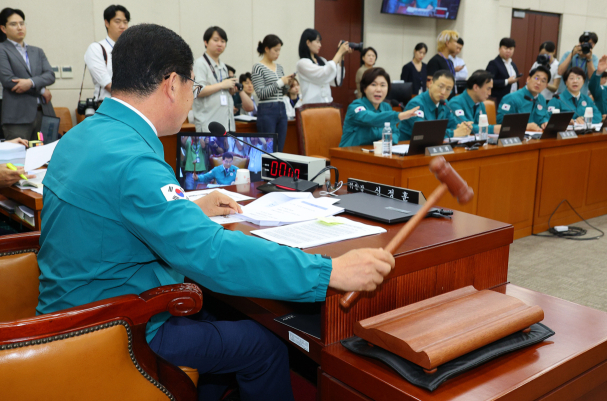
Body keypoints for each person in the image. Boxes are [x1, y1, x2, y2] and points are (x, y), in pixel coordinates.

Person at [37, 23, 394, 401]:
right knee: (265, 346)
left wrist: (188, 206)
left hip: (74, 310)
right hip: (118, 328)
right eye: (192, 85)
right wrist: (330, 271)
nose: (191, 96)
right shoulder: (134, 161)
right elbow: (211, 252)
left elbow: (115, 210)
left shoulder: (83, 133)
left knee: (223, 316)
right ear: (172, 83)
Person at [0, 8, 55, 141]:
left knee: (48, 157)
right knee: (19, 159)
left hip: (44, 112)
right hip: (17, 117)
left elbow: (50, 75)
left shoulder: (37, 51)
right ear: (3, 28)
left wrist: (30, 82)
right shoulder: (2, 49)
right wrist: (41, 89)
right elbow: (9, 81)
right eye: (13, 24)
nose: (19, 27)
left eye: (22, 23)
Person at [340, 67, 419, 147]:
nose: (378, 89)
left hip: (376, 155)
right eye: (373, 85)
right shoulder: (356, 107)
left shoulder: (386, 107)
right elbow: (372, 118)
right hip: (350, 155)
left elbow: (395, 133)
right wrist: (399, 116)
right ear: (364, 88)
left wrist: (387, 140)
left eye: (383, 85)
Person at [193, 26, 245, 133]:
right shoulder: (200, 64)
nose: (220, 44)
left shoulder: (223, 66)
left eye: (223, 41)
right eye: (216, 40)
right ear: (206, 42)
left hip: (226, 124)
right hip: (209, 124)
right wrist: (222, 85)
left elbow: (221, 90)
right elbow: (197, 90)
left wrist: (230, 91)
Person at [398, 70, 472, 141]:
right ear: (430, 84)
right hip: (407, 147)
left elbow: (453, 124)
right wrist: (454, 133)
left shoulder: (444, 103)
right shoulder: (415, 104)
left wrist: (463, 128)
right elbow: (424, 132)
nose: (443, 92)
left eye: (448, 89)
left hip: (432, 147)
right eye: (440, 86)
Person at [252, 34, 292, 153]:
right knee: (269, 149)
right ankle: (267, 172)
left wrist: (288, 84)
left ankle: (277, 172)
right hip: (267, 109)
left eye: (279, 50)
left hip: (281, 107)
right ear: (266, 49)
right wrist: (280, 82)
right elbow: (260, 93)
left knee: (280, 148)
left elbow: (282, 92)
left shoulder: (279, 67)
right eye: (275, 50)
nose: (278, 53)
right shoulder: (258, 67)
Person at [84, 5, 129, 102]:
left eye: (125, 22)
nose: (122, 26)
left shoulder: (131, 50)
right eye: (117, 21)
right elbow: (107, 84)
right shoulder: (96, 48)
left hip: (130, 106)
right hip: (106, 105)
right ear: (107, 23)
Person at [296, 28, 351, 105]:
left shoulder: (322, 61)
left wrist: (341, 56)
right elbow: (323, 74)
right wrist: (338, 53)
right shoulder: (302, 63)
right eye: (317, 42)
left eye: (320, 42)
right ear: (308, 42)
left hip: (327, 104)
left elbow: (336, 81)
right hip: (311, 107)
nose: (320, 45)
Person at [496, 65, 551, 131]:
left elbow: (544, 116)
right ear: (528, 79)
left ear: (546, 86)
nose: (538, 83)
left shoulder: (542, 99)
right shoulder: (510, 98)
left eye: (543, 81)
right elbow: (501, 123)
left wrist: (544, 122)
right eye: (536, 78)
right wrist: (525, 126)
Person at [448, 70, 501, 135]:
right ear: (476, 87)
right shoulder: (455, 103)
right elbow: (465, 127)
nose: (490, 93)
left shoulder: (480, 103)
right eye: (488, 89)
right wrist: (493, 129)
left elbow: (484, 125)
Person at [557, 32, 598, 97]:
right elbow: (560, 72)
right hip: (564, 94)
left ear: (593, 46)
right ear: (580, 43)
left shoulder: (594, 58)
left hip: (581, 96)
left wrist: (589, 59)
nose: (587, 45)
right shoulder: (568, 54)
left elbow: (592, 78)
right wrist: (572, 54)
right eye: (585, 42)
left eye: (590, 44)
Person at [486, 38, 519, 107]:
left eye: (511, 49)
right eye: (506, 48)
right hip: (499, 100)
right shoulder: (494, 63)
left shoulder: (513, 64)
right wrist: (507, 81)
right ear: (499, 49)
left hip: (513, 99)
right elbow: (489, 81)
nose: (508, 51)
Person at [426, 30, 459, 96]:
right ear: (447, 43)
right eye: (455, 42)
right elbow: (429, 84)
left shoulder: (450, 62)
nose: (457, 45)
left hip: (450, 99)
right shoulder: (435, 61)